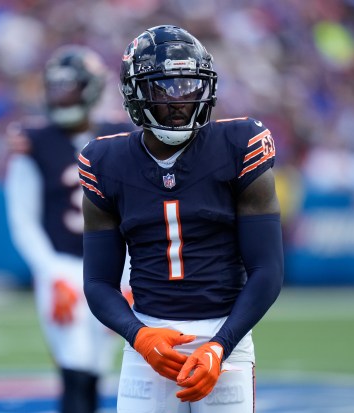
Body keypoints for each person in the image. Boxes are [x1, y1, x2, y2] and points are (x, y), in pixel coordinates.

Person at [78, 25, 284, 412]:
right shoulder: (104, 163)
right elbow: (98, 282)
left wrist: (220, 347)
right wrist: (139, 337)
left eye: (189, 86)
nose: (180, 100)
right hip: (149, 337)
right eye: (165, 88)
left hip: (227, 334)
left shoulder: (240, 145)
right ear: (135, 94)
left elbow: (268, 270)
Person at [4, 45, 134, 413]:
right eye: (56, 86)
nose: (62, 95)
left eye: (70, 86)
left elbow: (135, 214)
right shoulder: (34, 141)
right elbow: (22, 218)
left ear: (90, 88)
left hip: (113, 269)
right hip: (61, 264)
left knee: (97, 367)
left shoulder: (122, 137)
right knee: (75, 365)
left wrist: (129, 278)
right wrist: (50, 275)